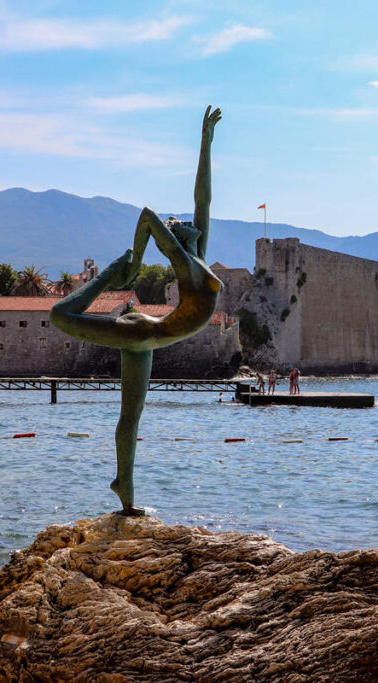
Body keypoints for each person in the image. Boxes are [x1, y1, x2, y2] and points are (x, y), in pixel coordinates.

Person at [52, 106, 223, 516]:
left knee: (131, 416)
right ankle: (111, 271)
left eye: (185, 222)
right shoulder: (184, 260)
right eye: (180, 224)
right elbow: (147, 216)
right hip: (142, 333)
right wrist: (131, 265)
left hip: (148, 337)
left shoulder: (199, 254)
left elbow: (203, 196)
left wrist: (205, 143)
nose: (185, 222)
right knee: (59, 316)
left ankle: (125, 489)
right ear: (178, 236)